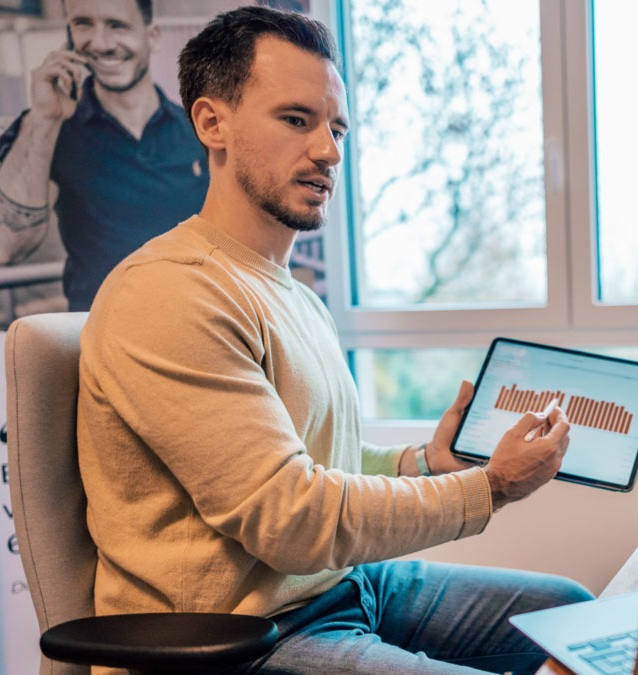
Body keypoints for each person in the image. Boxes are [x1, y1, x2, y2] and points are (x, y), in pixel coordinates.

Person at [76, 6, 592, 674]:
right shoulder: (168, 292)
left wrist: (423, 463)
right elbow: (290, 517)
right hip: (241, 636)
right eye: (297, 120)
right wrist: (488, 487)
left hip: (339, 585)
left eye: (336, 127)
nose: (329, 151)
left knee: (570, 616)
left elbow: (316, 459)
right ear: (211, 123)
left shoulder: (293, 294)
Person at [0, 0, 207, 311]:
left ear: (152, 36)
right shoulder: (47, 128)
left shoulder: (198, 131)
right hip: (99, 331)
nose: (100, 43)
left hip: (193, 323)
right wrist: (45, 118)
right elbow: (1, 245)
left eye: (117, 25)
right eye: (83, 24)